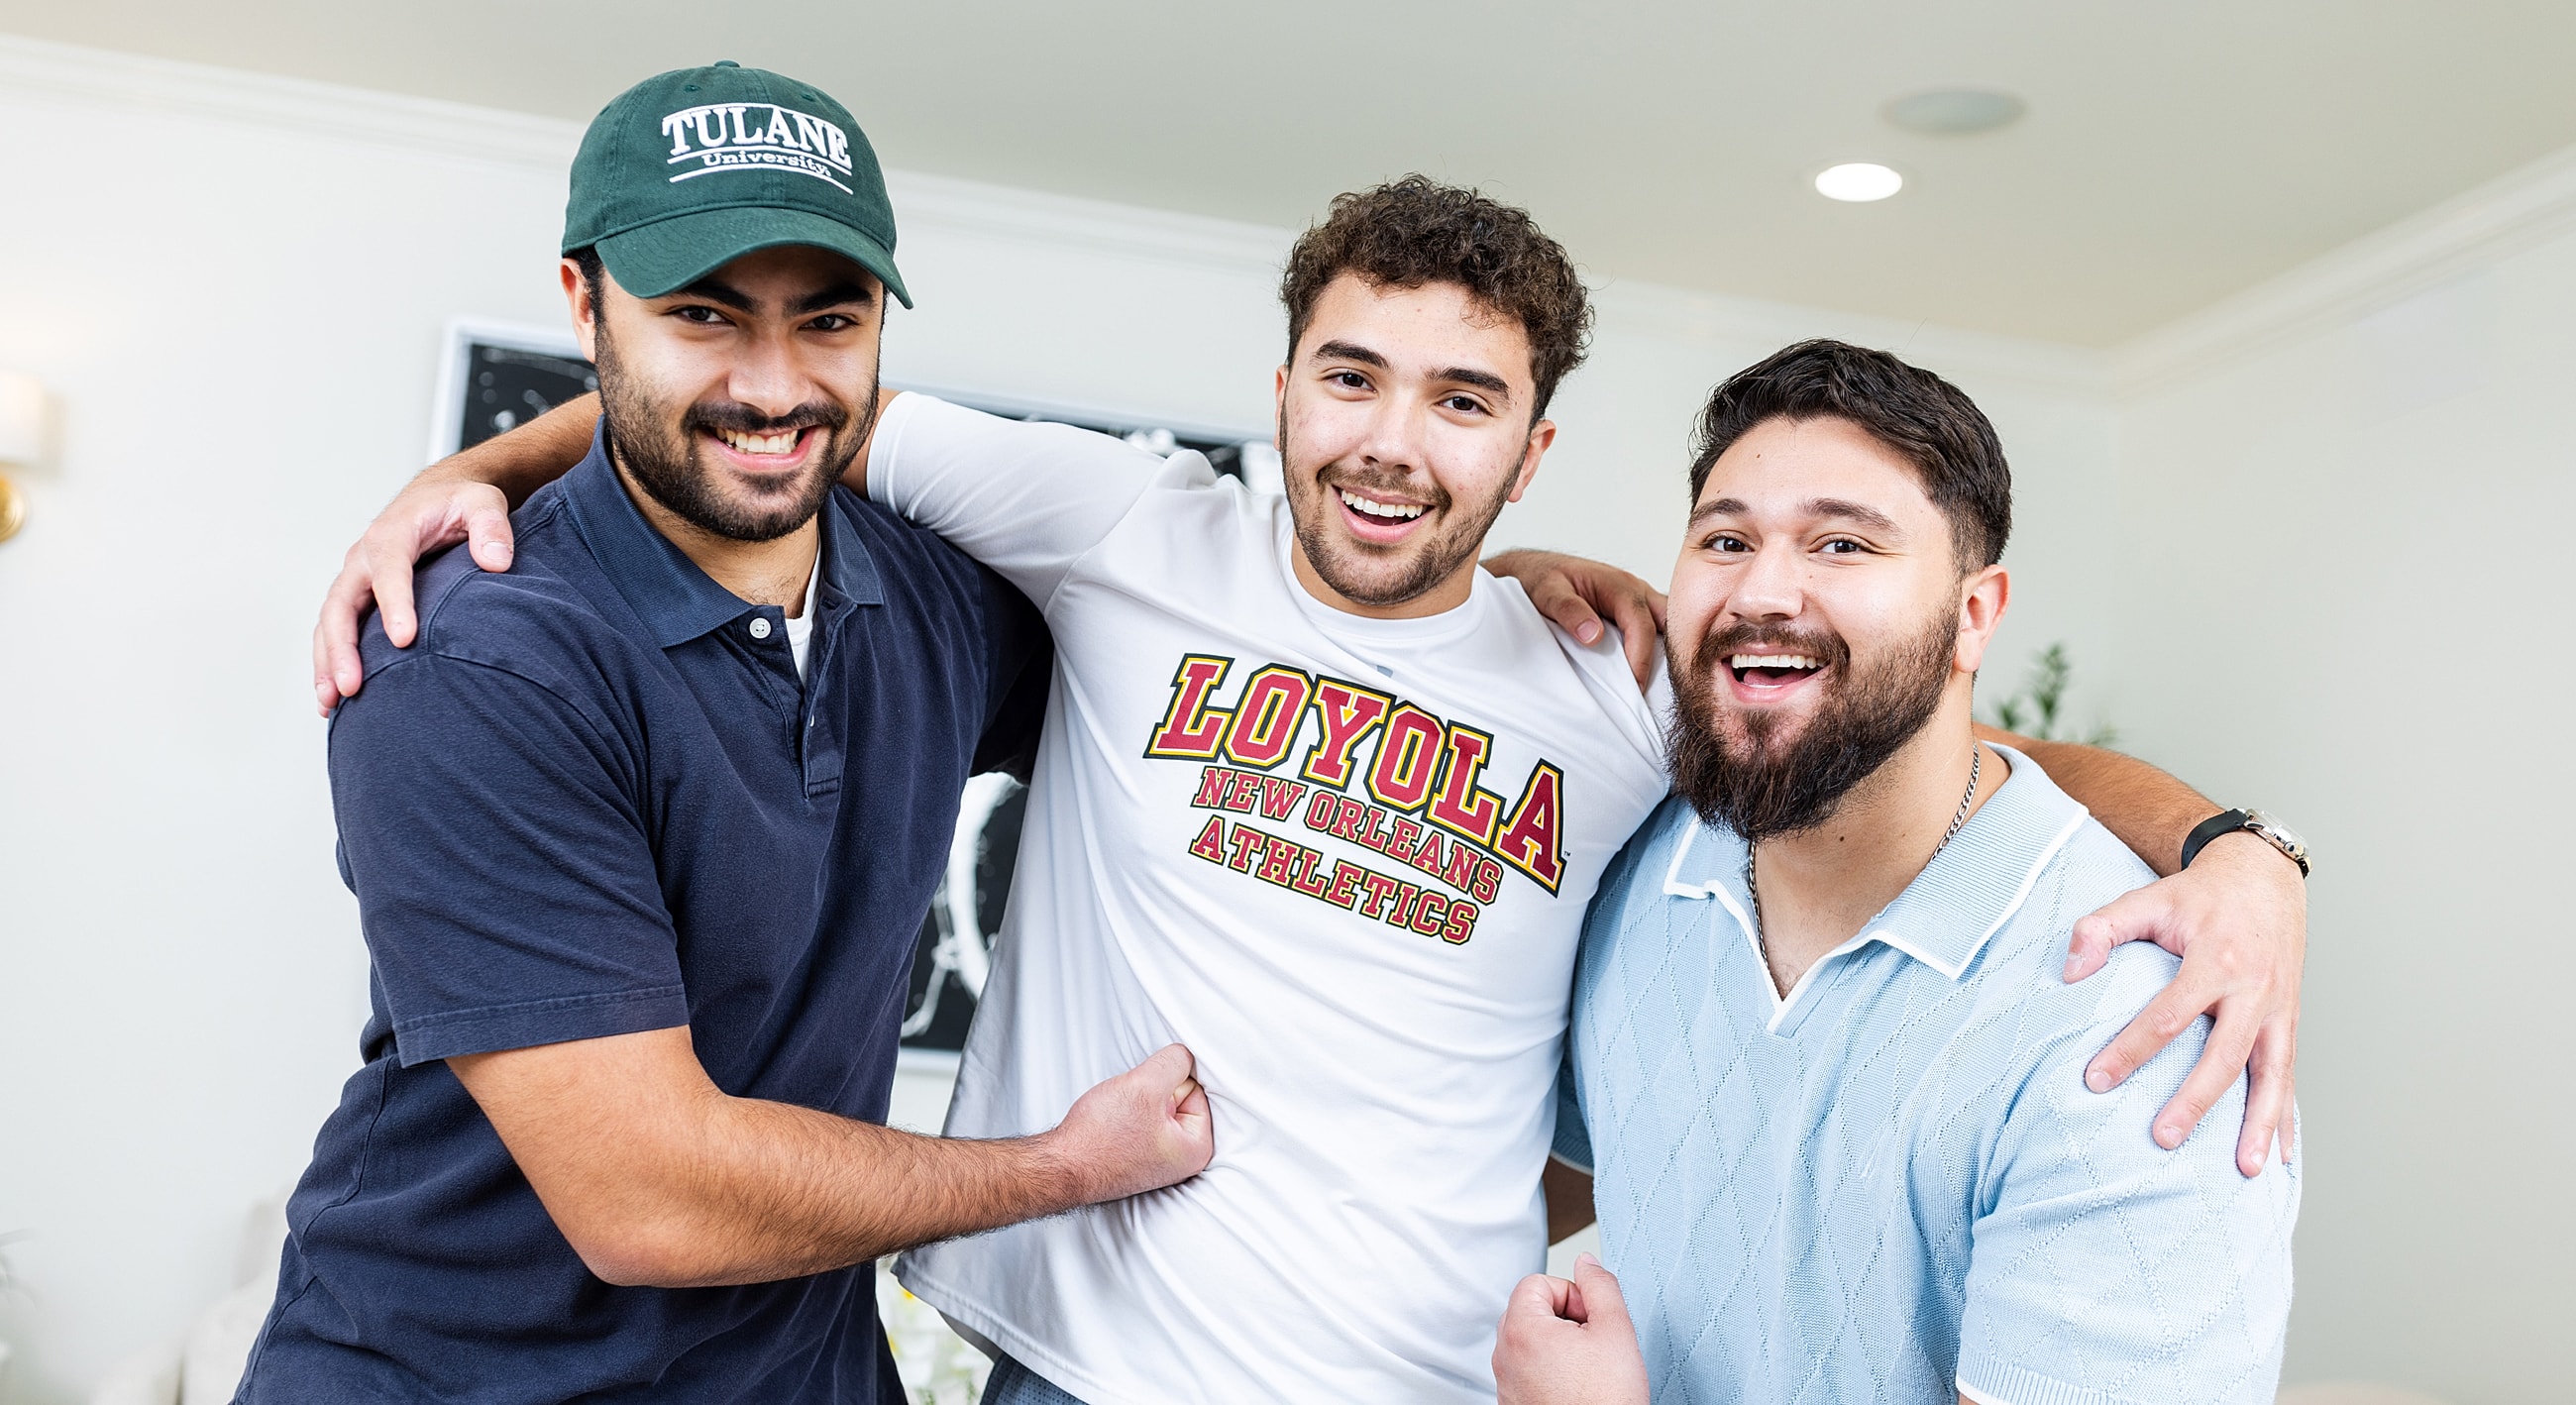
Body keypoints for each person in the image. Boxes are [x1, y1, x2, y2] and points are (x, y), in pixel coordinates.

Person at [313, 182, 2307, 1403]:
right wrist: (481, 476)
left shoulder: (1611, 678)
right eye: (1349, 376)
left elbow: (1952, 749)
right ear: (1279, 389)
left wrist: (2232, 857)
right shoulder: (1116, 524)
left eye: (1461, 402)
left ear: (1529, 454)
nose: (1389, 442)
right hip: (1075, 1375)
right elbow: (769, 405)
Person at [236, 62, 1215, 1404]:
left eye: (828, 319)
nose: (773, 382)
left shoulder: (929, 599)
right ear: (585, 304)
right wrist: (1070, 1164)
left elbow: (1231, 659)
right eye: (702, 313)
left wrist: (1498, 598)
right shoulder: (475, 660)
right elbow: (653, 1198)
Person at [1495, 342, 2301, 1405]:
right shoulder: (1649, 853)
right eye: (1725, 537)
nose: (1761, 589)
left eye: (1841, 542)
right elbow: (1557, 1156)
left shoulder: (2136, 1025)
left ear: (1974, 614)